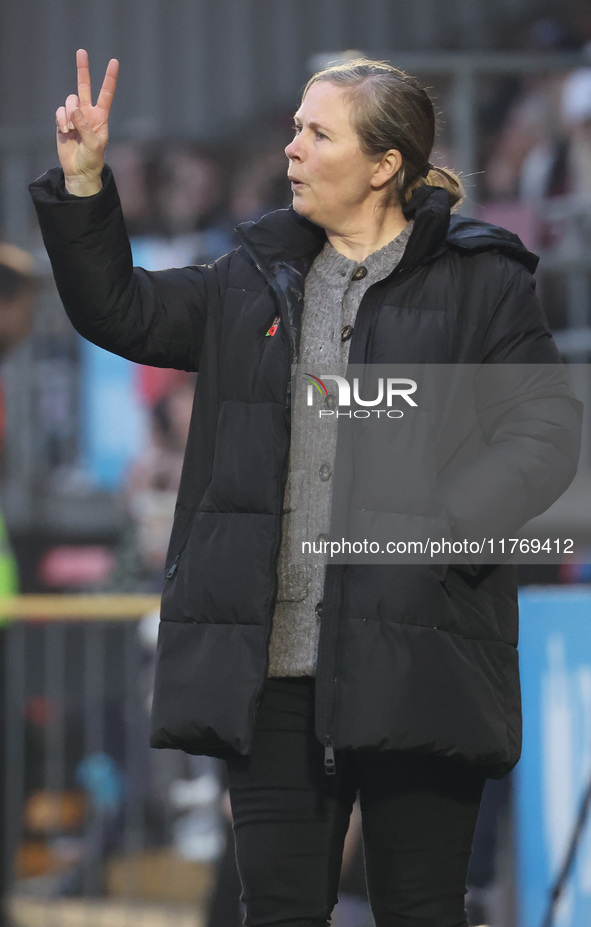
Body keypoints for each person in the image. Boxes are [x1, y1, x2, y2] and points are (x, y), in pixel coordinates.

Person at [30, 50, 582, 927]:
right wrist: (87, 184)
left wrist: (441, 528)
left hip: (420, 652)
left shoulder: (483, 280)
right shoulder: (248, 275)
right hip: (276, 680)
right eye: (293, 127)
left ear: (383, 165)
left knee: (421, 909)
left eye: (316, 132)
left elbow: (545, 433)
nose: (290, 147)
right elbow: (120, 309)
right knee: (278, 911)